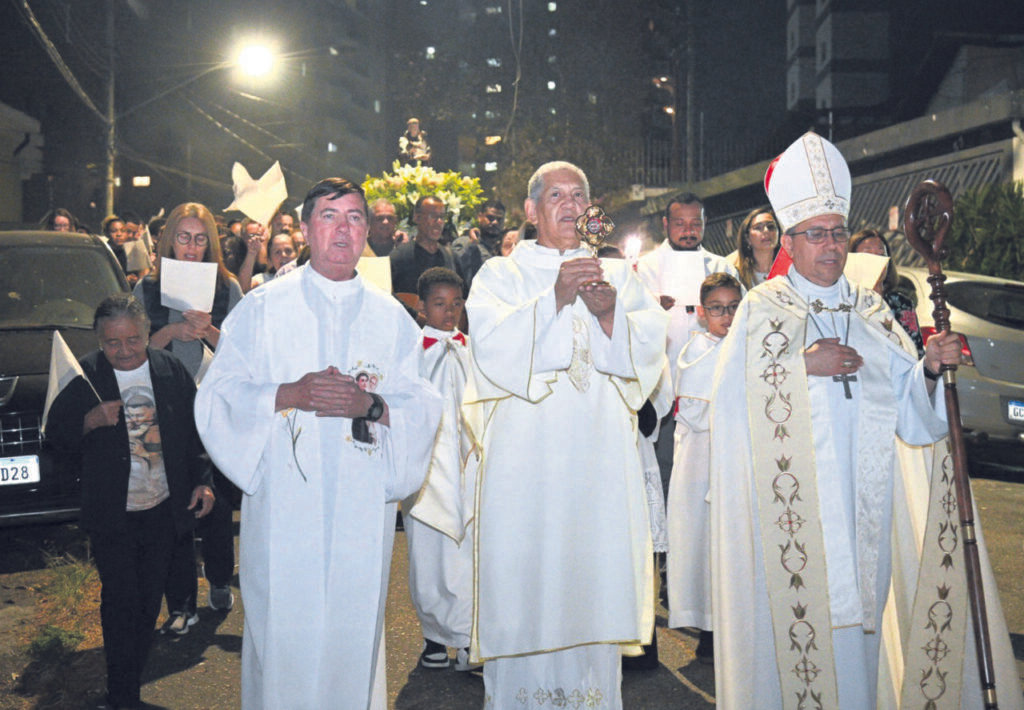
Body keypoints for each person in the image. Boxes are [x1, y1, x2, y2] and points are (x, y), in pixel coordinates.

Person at [708, 132, 1021, 709]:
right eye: (816, 235)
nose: (830, 246)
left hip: (862, 518)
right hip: (790, 520)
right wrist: (800, 366)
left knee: (858, 647)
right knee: (796, 645)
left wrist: (928, 366)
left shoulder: (871, 309)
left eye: (837, 233)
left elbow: (914, 417)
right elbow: (725, 406)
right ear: (790, 240)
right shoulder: (761, 309)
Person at [194, 177, 442, 709]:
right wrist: (291, 392)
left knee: (353, 635)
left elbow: (422, 405)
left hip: (359, 510)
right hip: (286, 507)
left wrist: (368, 406)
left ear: (368, 231)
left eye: (354, 217)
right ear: (305, 228)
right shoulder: (263, 310)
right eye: (329, 216)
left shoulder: (391, 318)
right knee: (285, 636)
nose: (343, 229)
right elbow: (218, 397)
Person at [464, 161, 668, 708]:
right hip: (525, 471)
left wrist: (609, 318)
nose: (570, 204)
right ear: (531, 211)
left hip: (598, 468)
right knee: (527, 584)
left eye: (579, 194)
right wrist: (554, 297)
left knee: (591, 584)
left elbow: (648, 354)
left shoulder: (620, 275)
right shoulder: (500, 276)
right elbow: (490, 352)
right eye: (556, 195)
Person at [46, 294, 213, 710]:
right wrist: (90, 420)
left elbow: (195, 434)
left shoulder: (168, 369)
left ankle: (126, 687)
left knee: (147, 603)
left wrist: (203, 482)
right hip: (112, 514)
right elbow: (56, 439)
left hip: (162, 508)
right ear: (99, 341)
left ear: (145, 335)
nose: (124, 351)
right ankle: (122, 695)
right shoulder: (85, 375)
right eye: (112, 343)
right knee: (120, 601)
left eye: (133, 341)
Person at [133, 202, 245, 632]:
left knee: (214, 498)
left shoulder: (227, 287)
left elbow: (242, 353)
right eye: (184, 237)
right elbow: (133, 351)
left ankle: (219, 578)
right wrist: (171, 332)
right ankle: (180, 599)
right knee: (171, 501)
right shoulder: (147, 288)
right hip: (166, 407)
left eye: (201, 239)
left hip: (213, 406)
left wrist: (209, 331)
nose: (192, 247)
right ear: (168, 241)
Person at [401, 267, 478, 672]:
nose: (449, 313)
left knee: (467, 552)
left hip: (468, 468)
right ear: (420, 306)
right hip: (427, 470)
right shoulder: (412, 351)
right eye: (439, 304)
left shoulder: (474, 349)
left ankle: (466, 637)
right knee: (428, 552)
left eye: (456, 304)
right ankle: (433, 635)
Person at [666, 272, 742, 664]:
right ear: (701, 314)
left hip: (738, 462)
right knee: (707, 544)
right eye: (717, 309)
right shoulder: (695, 353)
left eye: (734, 307)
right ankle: (710, 631)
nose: (727, 316)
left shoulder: (747, 348)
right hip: (704, 463)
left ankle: (740, 627)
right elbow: (700, 413)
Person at [849, 228, 924, 355]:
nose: (878, 262)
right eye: (868, 256)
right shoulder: (843, 302)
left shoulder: (901, 304)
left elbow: (916, 352)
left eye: (881, 255)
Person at [390, 195, 461, 295]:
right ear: (417, 217)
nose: (439, 222)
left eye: (442, 217)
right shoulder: (399, 257)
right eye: (433, 216)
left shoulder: (451, 257)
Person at [451, 199, 507, 288]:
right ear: (479, 217)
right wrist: (472, 245)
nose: (495, 222)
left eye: (499, 219)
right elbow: (457, 270)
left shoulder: (502, 251)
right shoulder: (464, 243)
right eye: (490, 218)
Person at [728, 206, 780, 289]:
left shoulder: (791, 268)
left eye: (771, 226)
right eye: (758, 227)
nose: (766, 231)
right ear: (747, 238)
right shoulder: (735, 273)